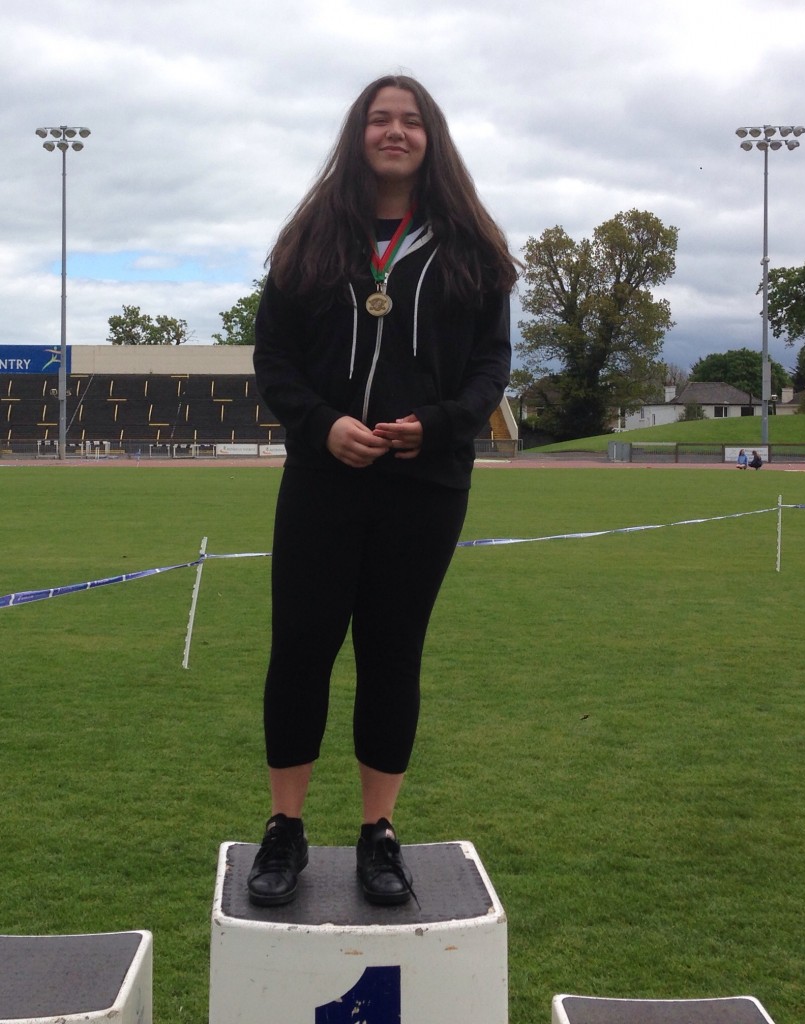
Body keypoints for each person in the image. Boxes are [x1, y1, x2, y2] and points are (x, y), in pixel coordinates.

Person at [249, 74, 518, 907]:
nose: (393, 132)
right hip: (323, 478)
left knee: (391, 654)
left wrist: (436, 426)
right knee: (301, 648)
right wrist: (322, 424)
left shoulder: (470, 246)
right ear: (356, 133)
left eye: (409, 121)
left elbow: (489, 367)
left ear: (431, 137)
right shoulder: (310, 237)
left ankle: (378, 834)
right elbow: (274, 360)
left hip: (424, 484)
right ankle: (285, 829)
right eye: (378, 119)